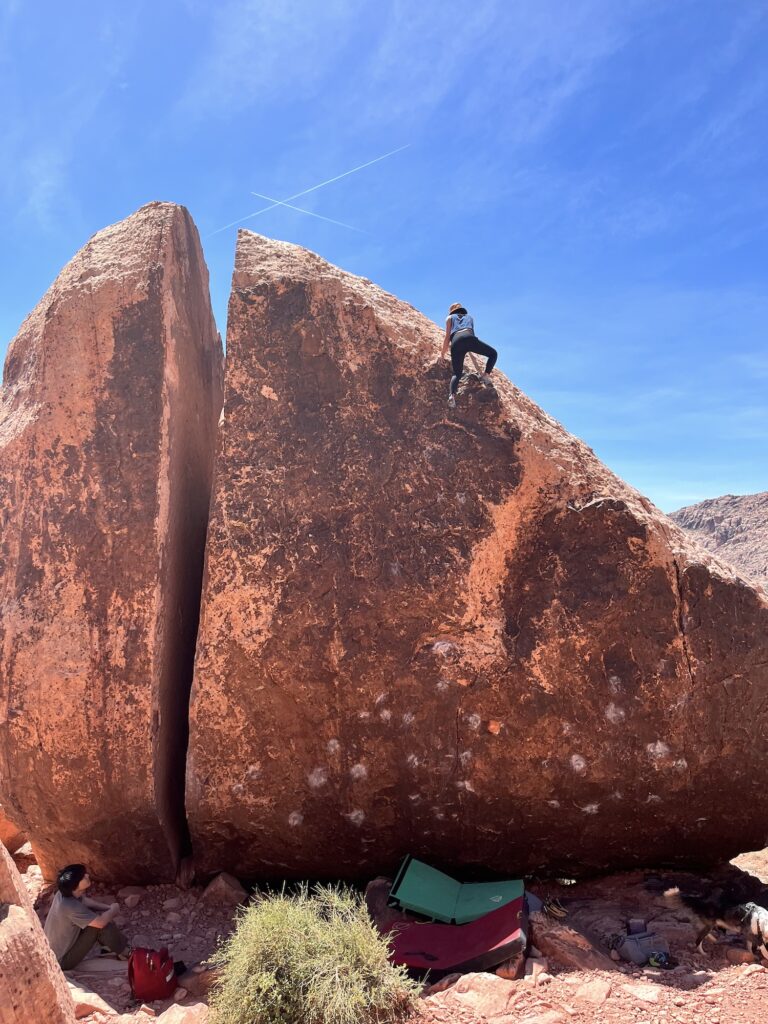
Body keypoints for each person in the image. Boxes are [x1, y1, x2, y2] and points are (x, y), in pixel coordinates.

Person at [43, 863, 129, 970]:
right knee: (99, 925)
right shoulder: (70, 906)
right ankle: (126, 952)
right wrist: (113, 910)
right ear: (76, 884)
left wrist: (108, 908)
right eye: (83, 876)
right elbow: (100, 923)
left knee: (101, 917)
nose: (87, 876)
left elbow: (86, 902)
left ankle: (108, 948)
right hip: (61, 961)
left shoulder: (64, 893)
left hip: (52, 955)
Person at [441, 302, 498, 408]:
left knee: (457, 374)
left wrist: (442, 354)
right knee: (493, 353)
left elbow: (447, 336)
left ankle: (451, 396)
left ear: (451, 311)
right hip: (469, 338)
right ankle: (485, 376)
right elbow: (471, 333)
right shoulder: (470, 318)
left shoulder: (449, 318)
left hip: (456, 342)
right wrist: (471, 348)